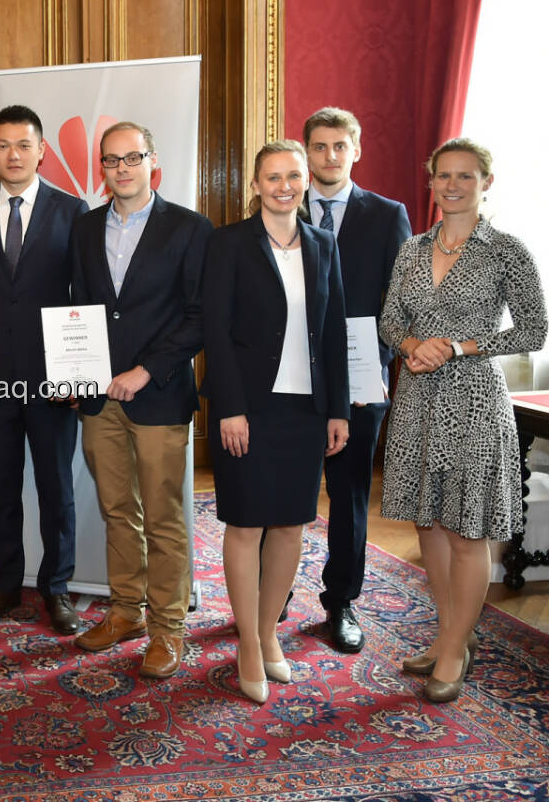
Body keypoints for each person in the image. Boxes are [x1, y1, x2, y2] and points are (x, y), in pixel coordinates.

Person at [379, 138, 547, 703]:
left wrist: (456, 345)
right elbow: (388, 320)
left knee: (465, 528)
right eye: (444, 176)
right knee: (428, 521)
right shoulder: (411, 248)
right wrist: (412, 346)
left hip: (474, 401)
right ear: (431, 183)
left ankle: (454, 649)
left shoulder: (506, 251)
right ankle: (450, 632)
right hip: (418, 401)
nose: (453, 185)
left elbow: (533, 332)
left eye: (466, 176)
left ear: (486, 183)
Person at [201, 140, 349, 704]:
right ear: (256, 185)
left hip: (305, 411)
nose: (283, 185)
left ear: (306, 180)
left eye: (292, 176)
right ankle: (245, 641)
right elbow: (216, 330)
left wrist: (337, 408)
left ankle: (268, 634)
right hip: (250, 408)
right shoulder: (229, 243)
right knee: (245, 525)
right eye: (272, 177)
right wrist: (230, 407)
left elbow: (332, 329)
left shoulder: (323, 244)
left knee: (290, 525)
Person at [71, 121, 213, 678]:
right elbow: (78, 310)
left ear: (152, 161)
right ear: (101, 168)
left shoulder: (189, 228)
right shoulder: (83, 231)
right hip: (96, 399)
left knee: (163, 517)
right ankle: (125, 611)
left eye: (133, 158)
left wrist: (146, 370)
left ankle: (168, 629)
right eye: (112, 160)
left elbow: (199, 317)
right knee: (115, 511)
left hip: (158, 395)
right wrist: (72, 374)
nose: (122, 168)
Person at [0, 105, 87, 635]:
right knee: (3, 486)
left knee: (57, 487)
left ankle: (57, 588)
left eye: (22, 145)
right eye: (2, 145)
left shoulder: (74, 211)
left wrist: (79, 374)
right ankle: (6, 584)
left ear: (41, 151)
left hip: (54, 381)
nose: (12, 154)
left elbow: (84, 298)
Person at [299, 107, 411, 653]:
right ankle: (273, 595)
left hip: (360, 379)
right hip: (290, 378)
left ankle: (340, 601)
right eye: (318, 147)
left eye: (339, 146)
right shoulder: (281, 203)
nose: (329, 156)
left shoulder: (388, 215)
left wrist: (377, 358)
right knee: (286, 491)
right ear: (306, 152)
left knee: (348, 496)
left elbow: (402, 300)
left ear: (355, 150)